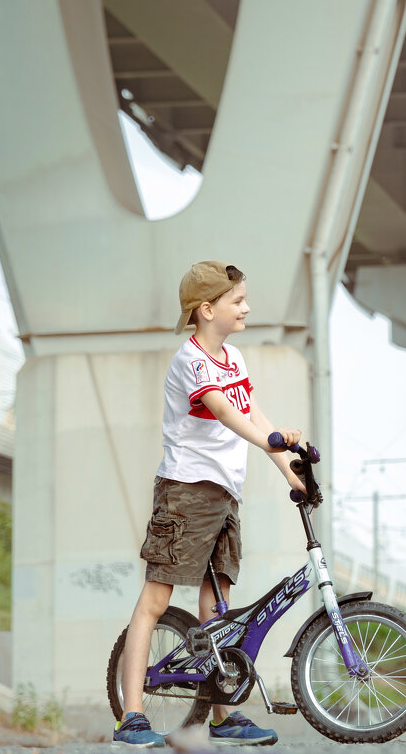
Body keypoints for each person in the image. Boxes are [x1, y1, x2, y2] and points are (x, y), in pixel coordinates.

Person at [113, 261, 305, 748]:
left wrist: (288, 468)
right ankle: (132, 716)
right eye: (237, 301)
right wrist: (272, 436)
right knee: (155, 601)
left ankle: (222, 715)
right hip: (186, 491)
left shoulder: (234, 358)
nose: (246, 308)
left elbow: (252, 414)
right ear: (207, 309)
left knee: (215, 605)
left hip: (224, 494)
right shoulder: (191, 359)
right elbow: (221, 408)